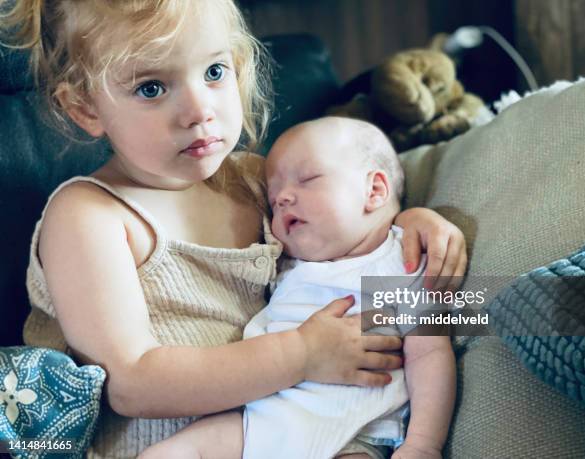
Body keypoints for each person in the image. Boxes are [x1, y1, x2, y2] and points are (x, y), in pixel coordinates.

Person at [0, 1, 466, 457]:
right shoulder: (89, 217)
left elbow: (343, 219)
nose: (199, 110)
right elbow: (132, 383)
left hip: (287, 435)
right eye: (151, 88)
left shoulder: (256, 182)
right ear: (86, 108)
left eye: (214, 72)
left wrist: (407, 221)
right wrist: (301, 354)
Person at [140, 117, 456, 459]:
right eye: (274, 200)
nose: (285, 199)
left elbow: (431, 353)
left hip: (350, 434)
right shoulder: (285, 261)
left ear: (374, 191)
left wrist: (423, 443)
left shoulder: (399, 264)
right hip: (258, 424)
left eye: (308, 179)